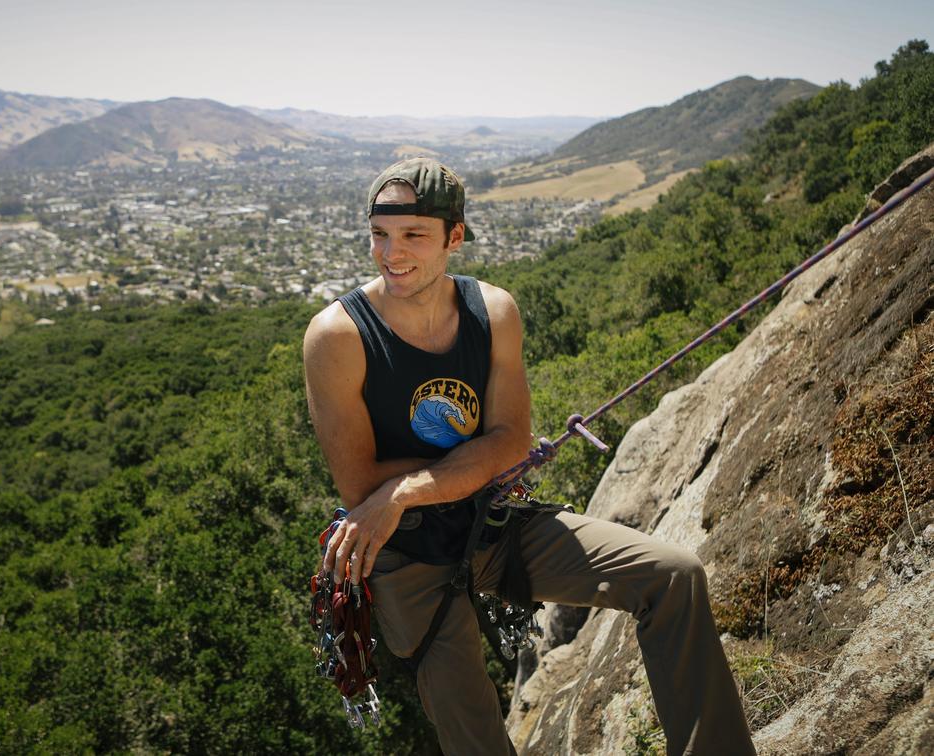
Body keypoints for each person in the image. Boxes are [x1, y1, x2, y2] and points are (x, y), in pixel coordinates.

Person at [302, 157, 754, 756]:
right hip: (406, 557)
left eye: (413, 235)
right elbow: (360, 483)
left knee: (673, 577)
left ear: (454, 237)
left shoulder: (492, 314)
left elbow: (511, 441)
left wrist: (408, 489)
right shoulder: (339, 337)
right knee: (478, 741)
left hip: (491, 522)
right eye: (380, 235)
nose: (392, 253)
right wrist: (464, 466)